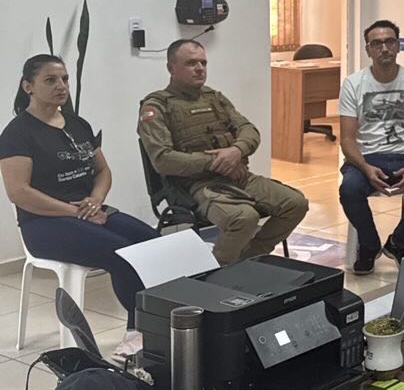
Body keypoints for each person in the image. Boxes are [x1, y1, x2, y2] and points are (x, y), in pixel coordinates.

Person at [1, 54, 157, 357]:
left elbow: (103, 171)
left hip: (88, 212)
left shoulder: (77, 124)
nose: (61, 86)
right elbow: (19, 192)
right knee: (122, 253)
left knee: (153, 243)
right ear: (28, 86)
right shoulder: (17, 133)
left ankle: (160, 323)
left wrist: (96, 199)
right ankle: (136, 335)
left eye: (64, 79)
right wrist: (74, 211)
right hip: (43, 224)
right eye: (50, 80)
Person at [139, 40, 308, 264]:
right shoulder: (156, 107)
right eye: (191, 63)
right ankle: (217, 271)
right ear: (171, 68)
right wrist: (218, 162)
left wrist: (236, 151)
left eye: (203, 63)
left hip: (238, 176)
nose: (200, 68)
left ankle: (250, 257)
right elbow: (163, 160)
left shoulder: (215, 98)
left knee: (296, 203)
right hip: (197, 185)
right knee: (244, 218)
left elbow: (249, 130)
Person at [338, 19, 404, 273]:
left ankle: (399, 242)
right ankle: (369, 245)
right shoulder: (353, 83)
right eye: (377, 44)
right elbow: (347, 140)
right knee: (349, 190)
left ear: (398, 46)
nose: (384, 48)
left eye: (389, 42)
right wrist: (366, 168)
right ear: (368, 50)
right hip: (366, 157)